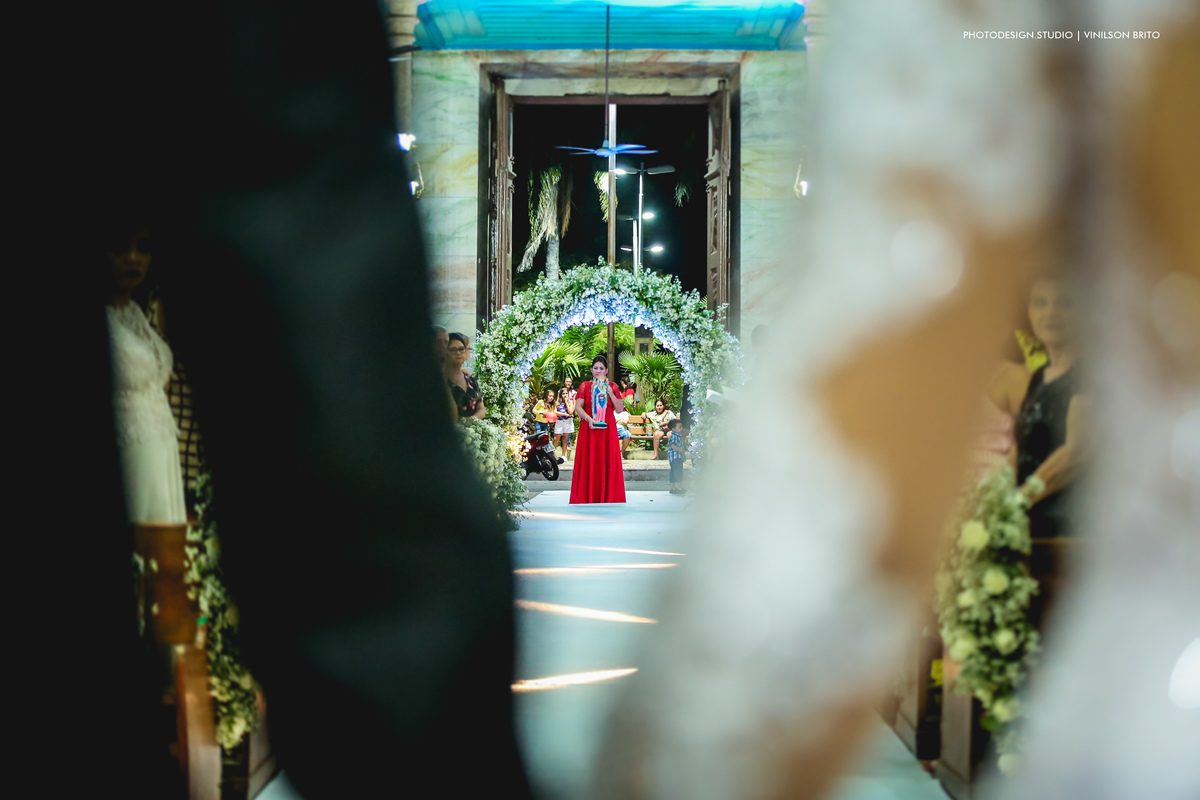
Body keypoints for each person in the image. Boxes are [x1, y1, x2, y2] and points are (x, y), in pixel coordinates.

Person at [987, 275, 1087, 537]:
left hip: (1071, 531)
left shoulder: (1089, 374)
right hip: (1029, 527)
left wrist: (1019, 501)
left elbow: (1076, 452)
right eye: (1040, 303)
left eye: (1064, 303)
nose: (1051, 312)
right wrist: (996, 501)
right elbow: (1021, 446)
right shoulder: (1039, 376)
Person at [105, 226, 187, 525]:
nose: (132, 258)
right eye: (119, 246)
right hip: (127, 455)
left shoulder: (135, 313)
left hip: (162, 453)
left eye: (143, 248)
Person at [569, 355, 626, 504]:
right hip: (590, 428)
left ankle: (609, 496)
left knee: (607, 460)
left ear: (606, 370)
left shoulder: (612, 386)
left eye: (601, 368)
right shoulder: (585, 386)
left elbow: (619, 408)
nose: (598, 370)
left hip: (607, 430)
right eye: (596, 368)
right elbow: (578, 407)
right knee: (590, 460)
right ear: (591, 370)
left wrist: (611, 393)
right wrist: (589, 419)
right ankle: (587, 496)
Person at [445, 332, 486, 420]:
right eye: (453, 350)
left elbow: (481, 409)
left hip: (474, 426)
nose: (458, 353)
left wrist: (470, 421)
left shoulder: (471, 379)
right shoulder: (441, 381)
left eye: (461, 349)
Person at [666, 418, 686, 494]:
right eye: (679, 427)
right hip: (675, 457)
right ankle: (679, 487)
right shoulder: (674, 436)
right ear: (673, 429)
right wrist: (680, 450)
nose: (681, 428)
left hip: (676, 457)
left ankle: (673, 487)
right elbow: (673, 445)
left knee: (673, 472)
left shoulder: (678, 436)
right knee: (678, 472)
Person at [553, 387, 574, 459]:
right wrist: (564, 414)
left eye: (566, 393)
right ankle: (552, 454)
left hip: (567, 422)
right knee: (556, 438)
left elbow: (570, 412)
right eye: (563, 394)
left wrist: (566, 402)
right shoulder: (557, 403)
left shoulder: (570, 403)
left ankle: (563, 455)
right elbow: (555, 412)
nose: (565, 395)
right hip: (559, 421)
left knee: (565, 439)